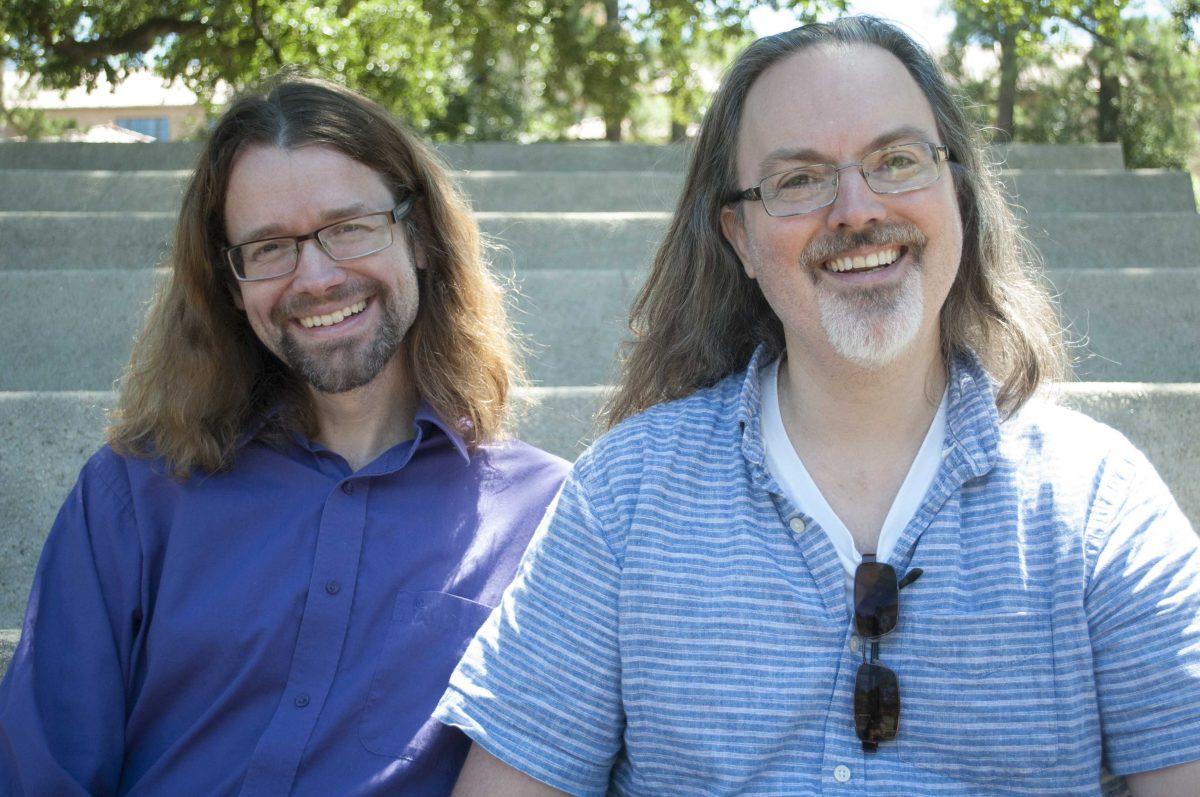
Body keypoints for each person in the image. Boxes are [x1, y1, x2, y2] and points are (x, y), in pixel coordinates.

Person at [434, 16, 1200, 796]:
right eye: (799, 179)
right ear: (739, 234)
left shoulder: (1099, 504)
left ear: (956, 192)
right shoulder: (623, 498)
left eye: (897, 161)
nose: (857, 209)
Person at [0, 75, 567, 795]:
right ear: (231, 285)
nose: (317, 277)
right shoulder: (134, 495)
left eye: (349, 227)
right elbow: (39, 771)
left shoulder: (546, 516)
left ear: (417, 234)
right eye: (269, 247)